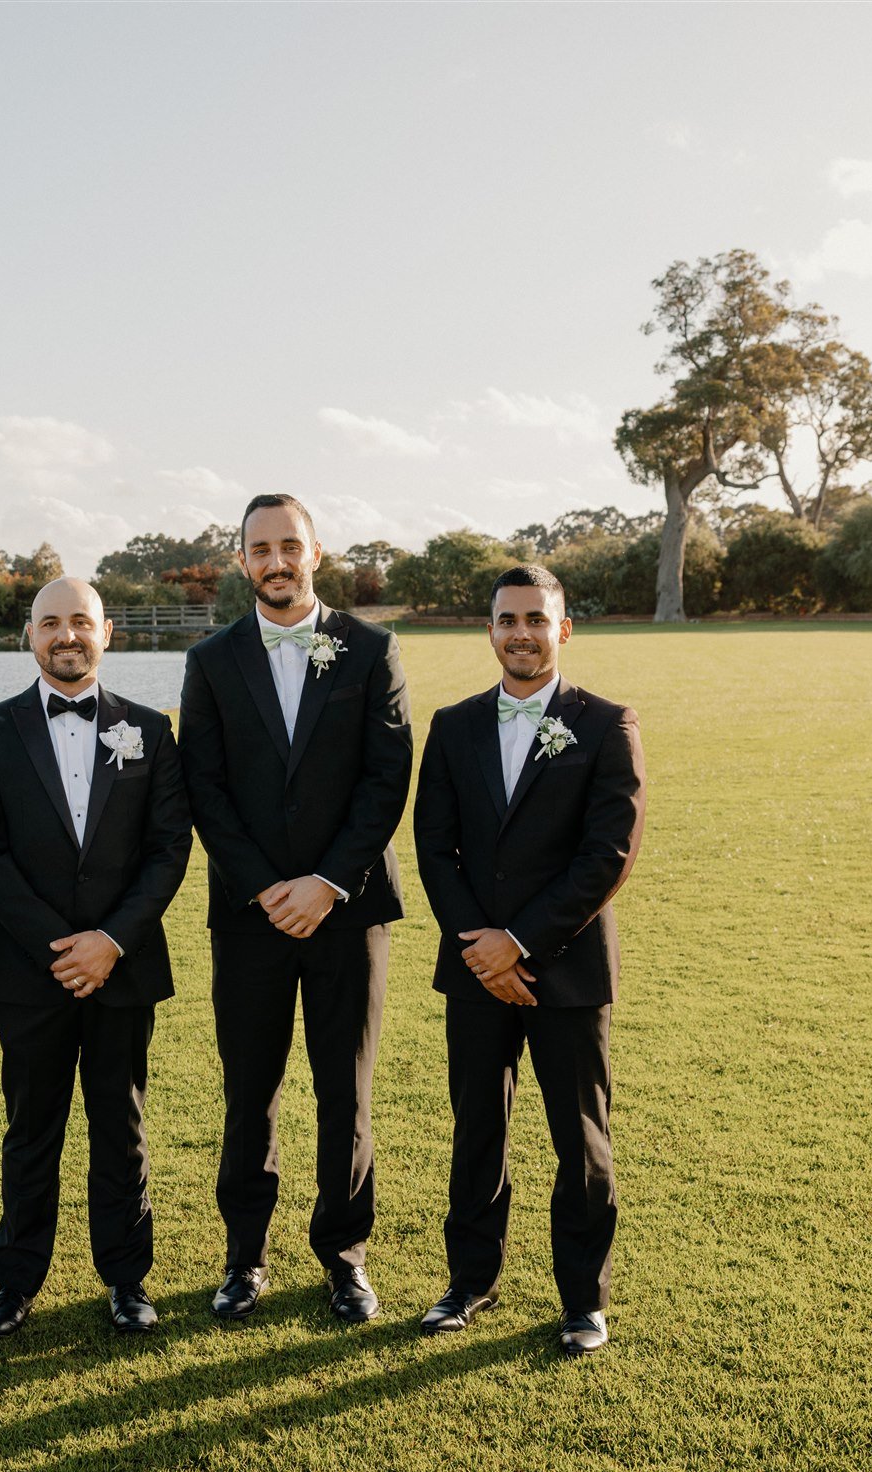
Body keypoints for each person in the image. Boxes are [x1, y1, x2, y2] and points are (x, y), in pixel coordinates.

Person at [179, 494, 412, 1325]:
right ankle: (244, 1259)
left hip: (348, 909)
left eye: (289, 545)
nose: (276, 561)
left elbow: (387, 775)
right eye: (260, 549)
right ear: (242, 560)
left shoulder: (371, 649)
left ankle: (345, 1259)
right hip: (251, 916)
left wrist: (327, 882)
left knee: (345, 1091)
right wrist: (264, 886)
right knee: (251, 1092)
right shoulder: (211, 661)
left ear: (316, 552)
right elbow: (203, 785)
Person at [411, 563, 645, 1358]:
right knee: (477, 1128)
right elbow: (435, 847)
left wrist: (519, 942)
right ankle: (469, 1281)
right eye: (507, 620)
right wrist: (481, 947)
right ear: (490, 631)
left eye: (536, 619)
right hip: (476, 969)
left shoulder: (606, 724)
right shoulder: (453, 725)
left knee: (580, 1139)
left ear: (563, 630)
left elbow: (608, 854)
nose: (521, 633)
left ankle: (583, 1301)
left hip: (568, 968)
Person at [0, 577, 192, 1337]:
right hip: (31, 971)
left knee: (121, 1127)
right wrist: (59, 948)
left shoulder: (150, 729)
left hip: (125, 966)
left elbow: (168, 848)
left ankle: (127, 1279)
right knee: (31, 1130)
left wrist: (110, 941)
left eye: (80, 622)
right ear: (30, 635)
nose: (67, 635)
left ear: (106, 631)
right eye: (51, 623)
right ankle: (16, 1281)